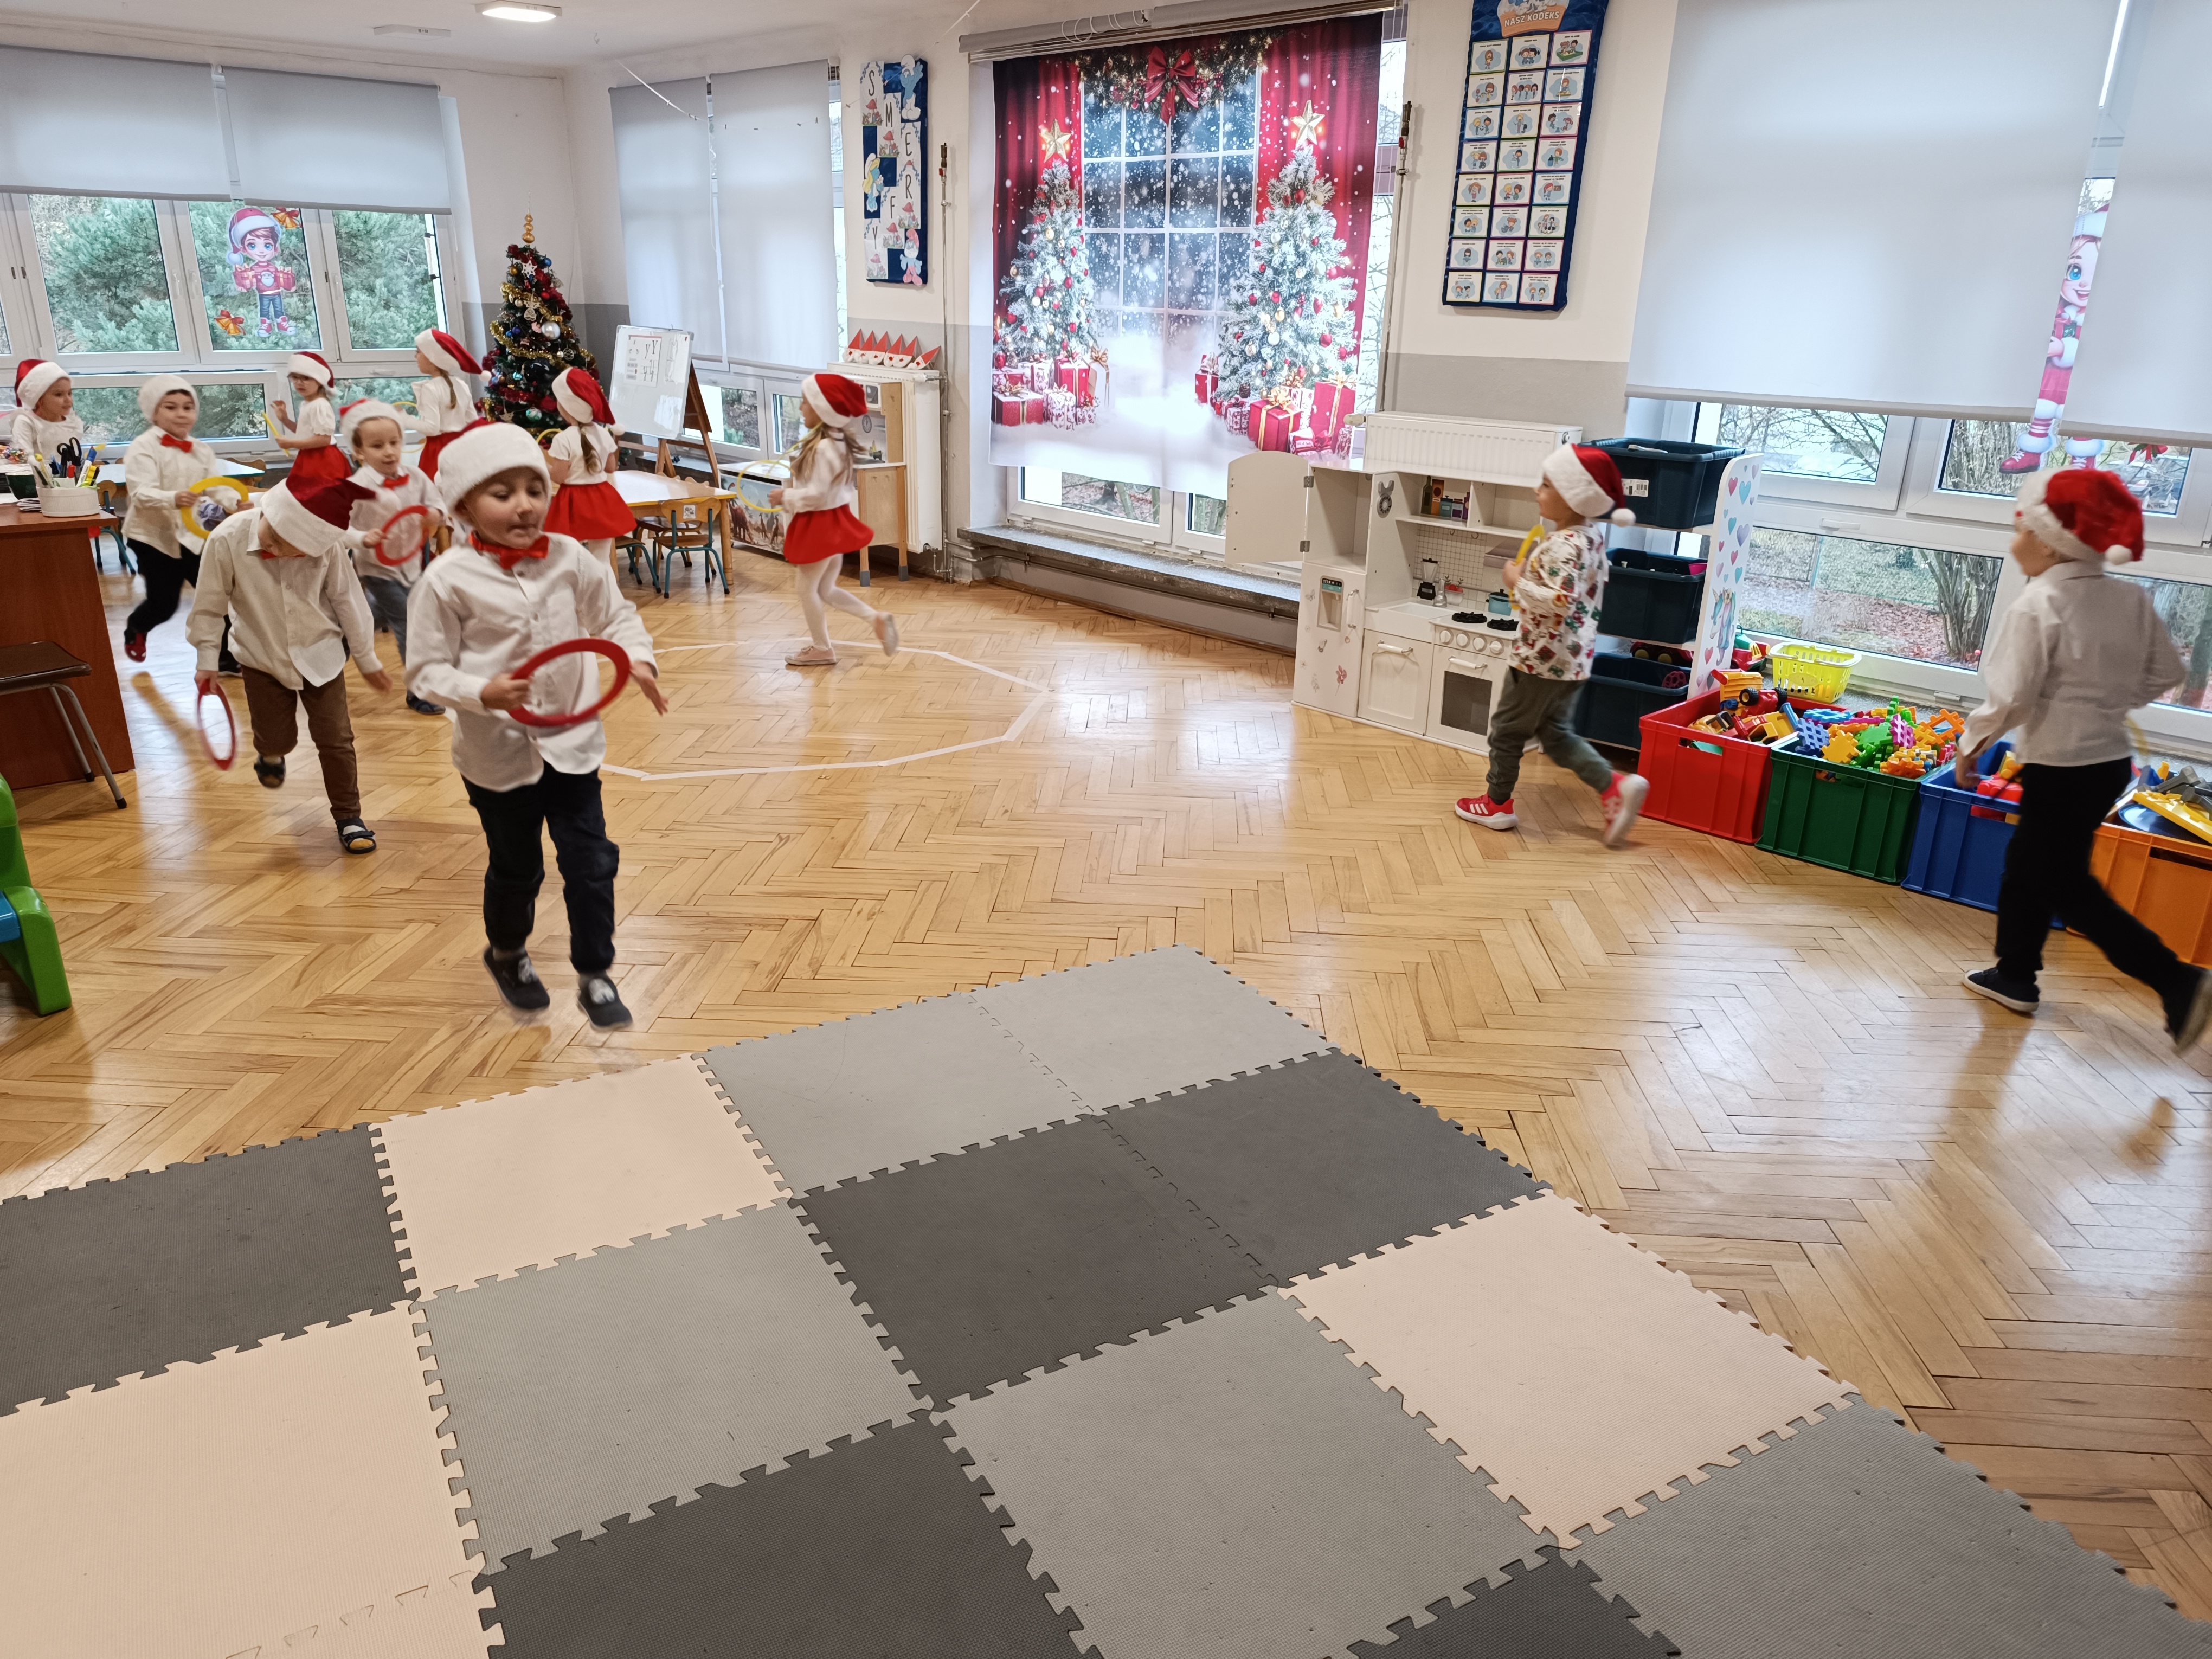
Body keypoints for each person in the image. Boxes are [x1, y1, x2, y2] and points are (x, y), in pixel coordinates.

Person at [404, 422, 667, 1030]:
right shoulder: (445, 580)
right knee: (518, 867)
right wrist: (482, 692)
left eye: (535, 489)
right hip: (497, 756)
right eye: (502, 494)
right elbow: (425, 671)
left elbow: (615, 616)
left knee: (592, 862)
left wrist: (639, 659)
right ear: (464, 508)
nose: (524, 505)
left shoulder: (570, 557)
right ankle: (507, 952)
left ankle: (595, 972)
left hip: (573, 746)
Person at [1957, 467, 2212, 1049]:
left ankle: (2177, 980)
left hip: (2060, 766)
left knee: (2063, 882)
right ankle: (2015, 975)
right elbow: (2166, 672)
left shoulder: (2039, 603)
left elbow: (2012, 698)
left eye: (2020, 530)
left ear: (2049, 542)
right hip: (2106, 766)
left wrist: (1972, 745)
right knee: (2031, 865)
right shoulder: (2130, 598)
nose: (2014, 542)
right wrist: (2106, 699)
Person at [1454, 443, 1648, 847]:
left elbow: (1561, 601)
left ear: (1574, 495)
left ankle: (1497, 804)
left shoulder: (1563, 545)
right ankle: (1613, 785)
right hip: (1574, 660)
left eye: (1546, 485)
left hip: (1539, 660)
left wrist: (1516, 581)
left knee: (1507, 731)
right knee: (1555, 734)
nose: (1536, 491)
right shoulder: (1591, 538)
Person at [187, 478, 393, 855]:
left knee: (336, 738)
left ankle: (349, 816)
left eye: (297, 552)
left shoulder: (328, 546)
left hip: (322, 653)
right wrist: (206, 660)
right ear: (268, 511)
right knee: (276, 737)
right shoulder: (226, 539)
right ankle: (270, 754)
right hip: (260, 656)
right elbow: (209, 607)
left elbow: (349, 602)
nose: (279, 552)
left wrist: (367, 659)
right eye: (276, 540)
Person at [767, 370, 898, 667]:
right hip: (833, 523)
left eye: (805, 402)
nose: (801, 408)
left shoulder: (824, 448)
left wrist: (786, 497)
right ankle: (875, 619)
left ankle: (822, 647)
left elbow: (817, 495)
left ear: (821, 409)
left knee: (806, 590)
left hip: (820, 526)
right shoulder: (838, 443)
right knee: (825, 590)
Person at [340, 397, 447, 716]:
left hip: (413, 566)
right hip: (377, 569)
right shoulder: (354, 487)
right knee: (410, 623)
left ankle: (349, 631)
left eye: (394, 442)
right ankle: (419, 692)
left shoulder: (417, 477)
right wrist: (362, 538)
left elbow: (438, 505)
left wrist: (434, 514)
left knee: (381, 616)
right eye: (377, 446)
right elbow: (339, 527)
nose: (389, 451)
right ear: (359, 452)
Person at [120, 376, 231, 668]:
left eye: (188, 407)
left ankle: (225, 657)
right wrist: (173, 498)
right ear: (154, 413)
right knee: (164, 605)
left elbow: (215, 487)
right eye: (171, 407)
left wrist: (235, 503)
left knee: (218, 599)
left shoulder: (201, 449)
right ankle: (137, 626)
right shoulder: (143, 447)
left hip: (194, 536)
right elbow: (141, 494)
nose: (181, 414)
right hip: (153, 538)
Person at [542, 368, 633, 564]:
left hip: (573, 502)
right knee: (602, 561)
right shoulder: (603, 433)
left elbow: (558, 477)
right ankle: (605, 586)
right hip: (601, 498)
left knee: (569, 560)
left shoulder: (563, 439)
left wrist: (542, 464)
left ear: (566, 407)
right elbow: (610, 468)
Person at [269, 351, 350, 490]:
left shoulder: (320, 405)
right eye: (295, 378)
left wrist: (292, 443)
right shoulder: (308, 404)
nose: (299, 383)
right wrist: (285, 419)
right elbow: (306, 432)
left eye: (306, 378)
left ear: (319, 381)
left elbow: (323, 439)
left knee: (317, 495)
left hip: (322, 458)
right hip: (310, 455)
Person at [410, 329, 482, 480]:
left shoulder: (430, 389)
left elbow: (431, 429)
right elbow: (473, 423)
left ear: (432, 358)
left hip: (438, 451)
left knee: (435, 489)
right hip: (462, 449)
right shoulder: (461, 385)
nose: (416, 356)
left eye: (418, 352)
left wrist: (404, 419)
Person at [10, 359, 83, 468]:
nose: (69, 400)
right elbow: (24, 458)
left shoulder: (70, 421)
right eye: (59, 394)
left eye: (69, 393)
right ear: (39, 399)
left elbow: (74, 456)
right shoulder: (25, 422)